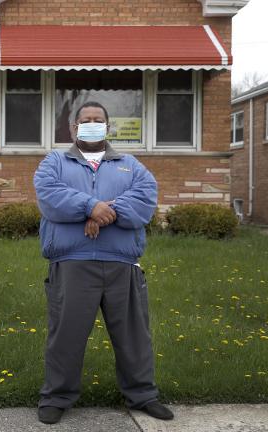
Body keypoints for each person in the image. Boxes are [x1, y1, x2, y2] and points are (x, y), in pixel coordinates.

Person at [33, 101, 173, 424]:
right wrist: (90, 206)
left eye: (98, 120)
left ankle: (143, 395)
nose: (92, 124)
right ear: (73, 128)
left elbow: (145, 197)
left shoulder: (129, 164)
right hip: (72, 264)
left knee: (134, 336)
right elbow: (49, 196)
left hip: (121, 265)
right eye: (85, 120)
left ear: (108, 128)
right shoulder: (55, 162)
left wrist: (104, 213)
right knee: (65, 336)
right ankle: (57, 397)